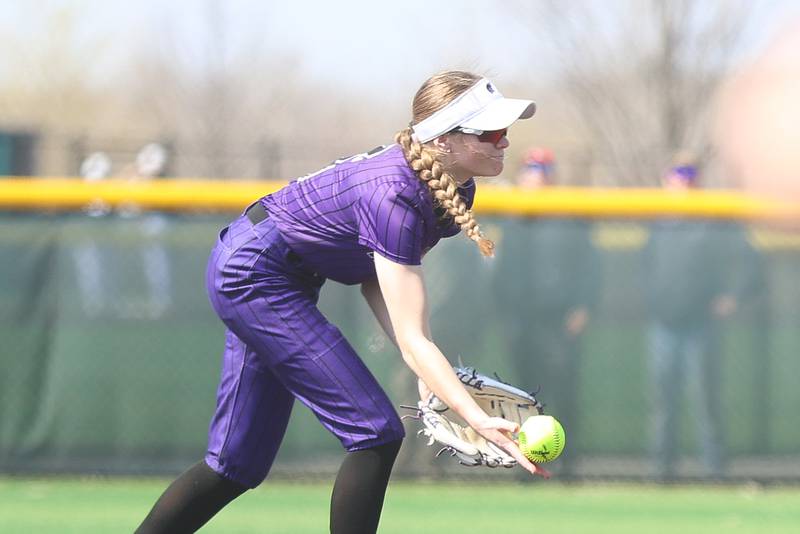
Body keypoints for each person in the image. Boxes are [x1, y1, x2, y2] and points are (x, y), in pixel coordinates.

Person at [135, 70, 549, 534]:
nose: (504, 142)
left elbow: (383, 283)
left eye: (505, 131)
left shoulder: (451, 187)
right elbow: (411, 336)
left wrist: (428, 374)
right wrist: (474, 415)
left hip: (270, 272)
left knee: (235, 465)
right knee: (376, 432)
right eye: (490, 132)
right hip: (256, 274)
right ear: (444, 139)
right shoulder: (394, 193)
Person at [643, 152, 762, 480]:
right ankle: (661, 471)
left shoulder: (712, 221)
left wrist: (732, 298)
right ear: (666, 183)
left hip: (700, 325)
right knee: (663, 400)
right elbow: (646, 268)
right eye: (675, 176)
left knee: (705, 398)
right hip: (664, 324)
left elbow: (750, 263)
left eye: (686, 177)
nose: (680, 183)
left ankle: (714, 469)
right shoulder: (659, 224)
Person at [493, 147, 600, 477]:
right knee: (523, 396)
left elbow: (591, 268)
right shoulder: (511, 217)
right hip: (523, 322)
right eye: (530, 169)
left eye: (541, 169)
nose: (535, 176)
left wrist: (583, 307)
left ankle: (568, 466)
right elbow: (500, 275)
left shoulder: (569, 215)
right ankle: (525, 465)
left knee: (564, 392)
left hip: (560, 322)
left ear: (551, 176)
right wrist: (504, 316)